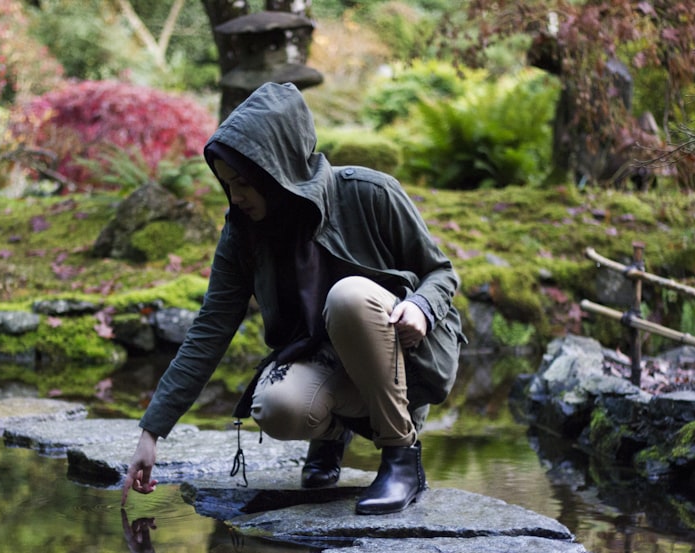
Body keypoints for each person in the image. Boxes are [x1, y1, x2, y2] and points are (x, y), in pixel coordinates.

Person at [122, 81, 464, 515]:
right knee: (277, 407)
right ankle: (329, 437)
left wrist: (421, 306)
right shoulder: (243, 234)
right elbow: (209, 330)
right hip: (327, 360)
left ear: (276, 169)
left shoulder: (369, 193)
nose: (237, 197)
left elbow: (442, 271)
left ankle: (400, 459)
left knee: (348, 297)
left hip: (405, 357)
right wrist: (152, 433)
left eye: (245, 183)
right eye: (228, 185)